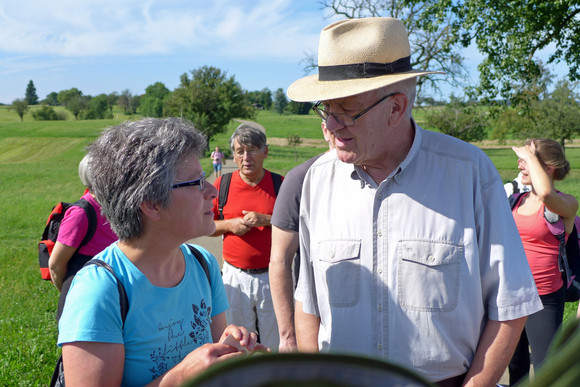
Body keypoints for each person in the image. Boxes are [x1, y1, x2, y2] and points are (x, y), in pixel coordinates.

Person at [286, 17, 543, 386]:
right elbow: (308, 303)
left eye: (347, 111)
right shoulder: (317, 180)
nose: (332, 124)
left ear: (396, 107)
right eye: (326, 109)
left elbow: (511, 305)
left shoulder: (469, 174)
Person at [58, 118, 266, 386]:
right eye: (197, 182)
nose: (212, 191)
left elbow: (212, 356)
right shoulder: (99, 291)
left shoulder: (203, 264)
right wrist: (179, 378)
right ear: (152, 204)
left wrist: (229, 349)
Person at [508, 138, 578, 385]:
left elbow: (546, 192)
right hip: (511, 297)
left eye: (527, 160)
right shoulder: (516, 200)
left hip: (544, 299)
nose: (520, 164)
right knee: (515, 368)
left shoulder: (566, 203)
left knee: (546, 369)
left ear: (546, 167)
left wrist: (530, 157)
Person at [211, 123, 283, 350]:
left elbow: (300, 224)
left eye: (251, 150)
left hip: (273, 276)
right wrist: (230, 225)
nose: (245, 157)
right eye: (239, 151)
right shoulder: (222, 185)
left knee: (276, 338)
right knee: (239, 341)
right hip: (235, 277)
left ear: (265, 152)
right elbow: (204, 227)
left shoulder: (280, 185)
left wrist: (267, 220)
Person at [269, 122, 332, 352]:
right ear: (325, 130)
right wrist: (287, 336)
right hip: (316, 322)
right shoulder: (301, 179)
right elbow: (280, 260)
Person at [48, 154, 118, 320]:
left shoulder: (118, 206)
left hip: (115, 296)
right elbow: (56, 265)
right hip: (85, 301)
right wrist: (70, 294)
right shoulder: (80, 214)